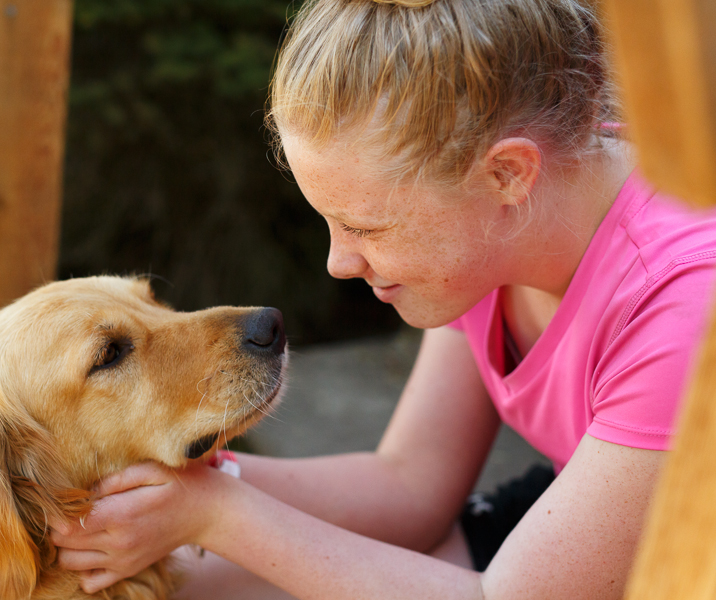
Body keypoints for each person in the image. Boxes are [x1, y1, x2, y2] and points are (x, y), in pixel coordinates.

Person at [52, 0, 716, 598]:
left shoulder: (685, 307)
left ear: (508, 174)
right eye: (331, 222)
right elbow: (412, 484)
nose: (339, 262)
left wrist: (214, 514)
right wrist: (183, 492)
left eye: (369, 227)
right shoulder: (494, 240)